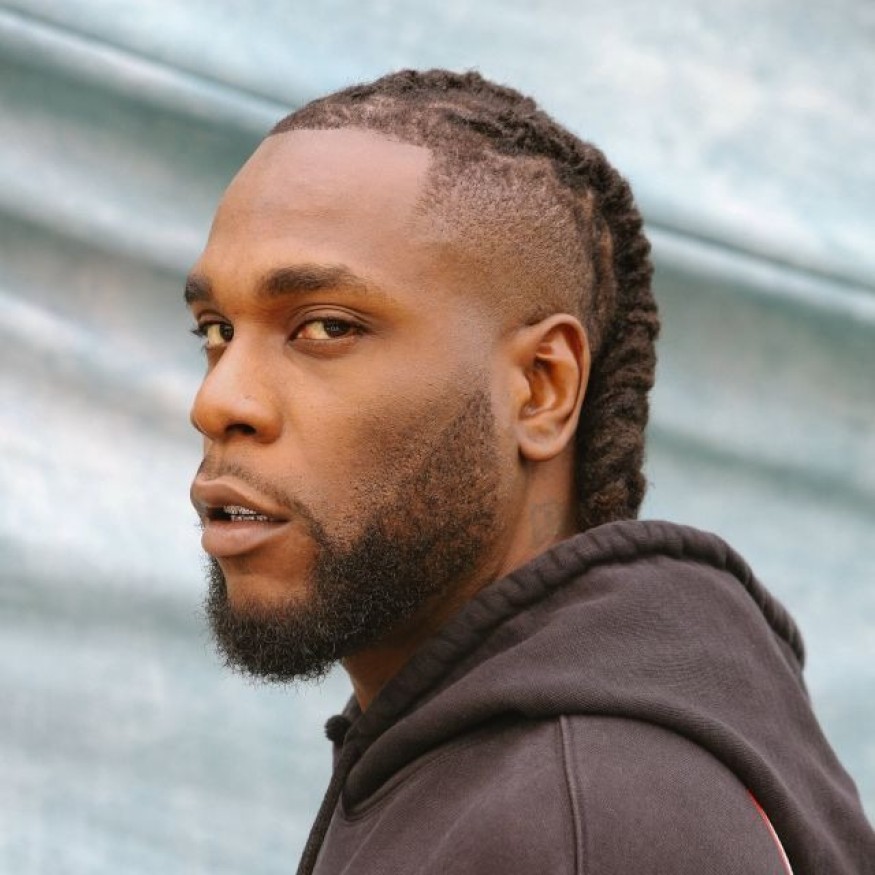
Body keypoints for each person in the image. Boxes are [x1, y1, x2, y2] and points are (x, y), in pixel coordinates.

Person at [186, 69, 874, 874]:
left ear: (541, 387)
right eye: (215, 330)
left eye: (326, 327)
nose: (216, 400)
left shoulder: (585, 821)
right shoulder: (492, 761)